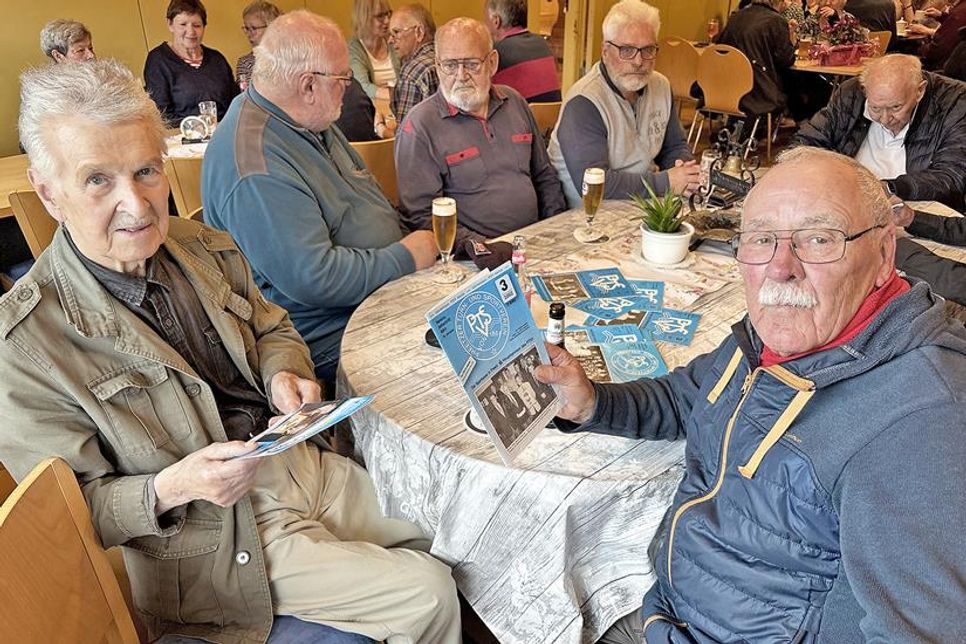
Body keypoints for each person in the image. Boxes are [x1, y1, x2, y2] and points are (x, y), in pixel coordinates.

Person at [0, 58, 460, 644]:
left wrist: (283, 373)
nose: (137, 204)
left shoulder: (201, 245)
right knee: (428, 592)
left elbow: (274, 329)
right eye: (98, 180)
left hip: (299, 463)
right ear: (49, 193)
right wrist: (172, 487)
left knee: (456, 532)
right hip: (209, 540)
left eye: (145, 171)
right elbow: (69, 513)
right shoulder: (25, 344)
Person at [534, 146, 966, 643]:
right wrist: (592, 402)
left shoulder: (920, 422)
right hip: (667, 610)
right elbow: (688, 397)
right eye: (761, 239)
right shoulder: (779, 335)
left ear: (884, 254)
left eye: (819, 239)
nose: (780, 268)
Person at [202, 11, 437, 383]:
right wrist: (406, 258)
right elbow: (316, 277)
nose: (349, 86)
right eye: (343, 78)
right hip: (330, 331)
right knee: (451, 362)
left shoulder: (307, 118)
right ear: (308, 85)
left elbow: (367, 198)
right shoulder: (254, 164)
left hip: (378, 293)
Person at [394, 17, 566, 255]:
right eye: (450, 65)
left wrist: (555, 228)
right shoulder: (419, 126)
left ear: (492, 63)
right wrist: (482, 248)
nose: (461, 75)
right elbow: (421, 217)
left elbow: (544, 176)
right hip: (474, 258)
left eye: (472, 64)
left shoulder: (514, 102)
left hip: (535, 243)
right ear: (437, 66)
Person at [547, 0, 697, 208]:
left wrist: (683, 170)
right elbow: (595, 185)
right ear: (605, 51)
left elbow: (675, 146)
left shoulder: (661, 86)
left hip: (645, 203)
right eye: (627, 50)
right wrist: (667, 182)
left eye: (648, 50)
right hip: (590, 214)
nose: (638, 61)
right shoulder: (584, 102)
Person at [794, 54, 966, 209]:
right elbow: (806, 142)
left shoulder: (955, 102)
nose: (884, 119)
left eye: (896, 107)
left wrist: (888, 188)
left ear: (920, 91)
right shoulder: (851, 93)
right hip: (846, 201)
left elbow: (951, 175)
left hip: (917, 209)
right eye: (875, 108)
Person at [144, 0, 238, 125]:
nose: (191, 32)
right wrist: (198, 128)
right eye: (183, 24)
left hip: (225, 129)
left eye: (197, 25)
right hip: (184, 134)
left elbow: (235, 101)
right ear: (170, 24)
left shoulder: (217, 59)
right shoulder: (158, 60)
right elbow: (162, 115)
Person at [716, 0, 797, 120]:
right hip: (757, 93)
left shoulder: (736, 17)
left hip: (721, 89)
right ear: (779, 3)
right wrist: (791, 40)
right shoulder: (776, 21)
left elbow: (719, 49)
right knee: (797, 80)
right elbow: (787, 60)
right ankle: (798, 122)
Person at [485, 0, 562, 103]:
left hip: (522, 113)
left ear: (496, 21)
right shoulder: (543, 44)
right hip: (552, 113)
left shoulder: (496, 53)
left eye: (486, 20)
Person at [387, 3, 439, 124]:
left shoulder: (412, 72)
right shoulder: (447, 60)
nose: (390, 40)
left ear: (419, 32)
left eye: (396, 32)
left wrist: (382, 129)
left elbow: (406, 131)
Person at [349, 0, 399, 101]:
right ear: (364, 18)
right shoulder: (354, 48)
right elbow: (363, 87)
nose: (387, 21)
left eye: (388, 14)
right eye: (380, 16)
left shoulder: (394, 40)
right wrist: (398, 96)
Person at [237, 0, 282, 90]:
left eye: (253, 28)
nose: (249, 34)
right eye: (246, 28)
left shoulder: (289, 58)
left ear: (271, 27)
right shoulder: (245, 63)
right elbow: (245, 94)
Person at [910, 0, 966, 69]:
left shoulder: (960, 12)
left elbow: (937, 50)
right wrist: (941, 16)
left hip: (942, 69)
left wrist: (918, 49)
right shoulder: (960, 8)